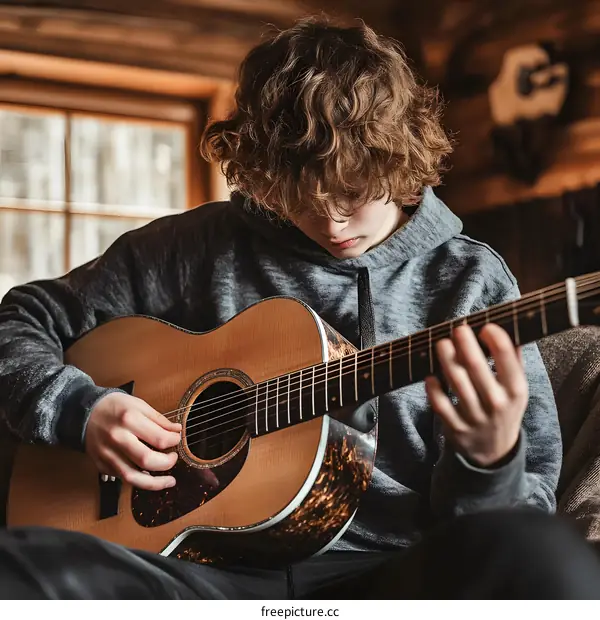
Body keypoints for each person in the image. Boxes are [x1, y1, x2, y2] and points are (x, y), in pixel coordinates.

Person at [0, 16, 600, 600]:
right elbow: (19, 321)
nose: (333, 222)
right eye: (301, 199)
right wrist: (84, 408)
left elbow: (512, 520)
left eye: (354, 193)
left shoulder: (470, 282)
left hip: (390, 576)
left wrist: (490, 458)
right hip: (203, 573)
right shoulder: (196, 247)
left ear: (402, 159)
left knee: (545, 561)